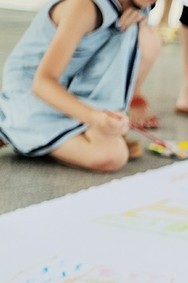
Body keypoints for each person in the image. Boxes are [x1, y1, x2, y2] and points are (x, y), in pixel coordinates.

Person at [0, 0, 158, 171]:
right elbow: (42, 82)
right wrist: (93, 117)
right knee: (112, 156)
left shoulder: (140, 5)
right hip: (32, 89)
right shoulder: (84, 6)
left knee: (147, 38)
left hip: (72, 86)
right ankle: (11, 122)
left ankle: (52, 134)